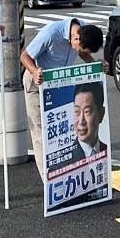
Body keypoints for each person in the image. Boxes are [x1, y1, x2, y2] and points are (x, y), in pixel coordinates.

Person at [20, 17, 105, 178]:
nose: (79, 53)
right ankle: (48, 179)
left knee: (62, 130)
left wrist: (95, 66)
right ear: (76, 38)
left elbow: (83, 52)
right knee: (41, 133)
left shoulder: (85, 31)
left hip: (60, 85)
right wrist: (34, 71)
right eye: (80, 49)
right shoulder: (51, 34)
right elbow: (24, 56)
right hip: (37, 84)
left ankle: (65, 172)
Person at [47, 83, 108, 173]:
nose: (81, 121)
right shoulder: (60, 166)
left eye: (87, 111)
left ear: (101, 113)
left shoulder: (107, 151)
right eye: (77, 112)